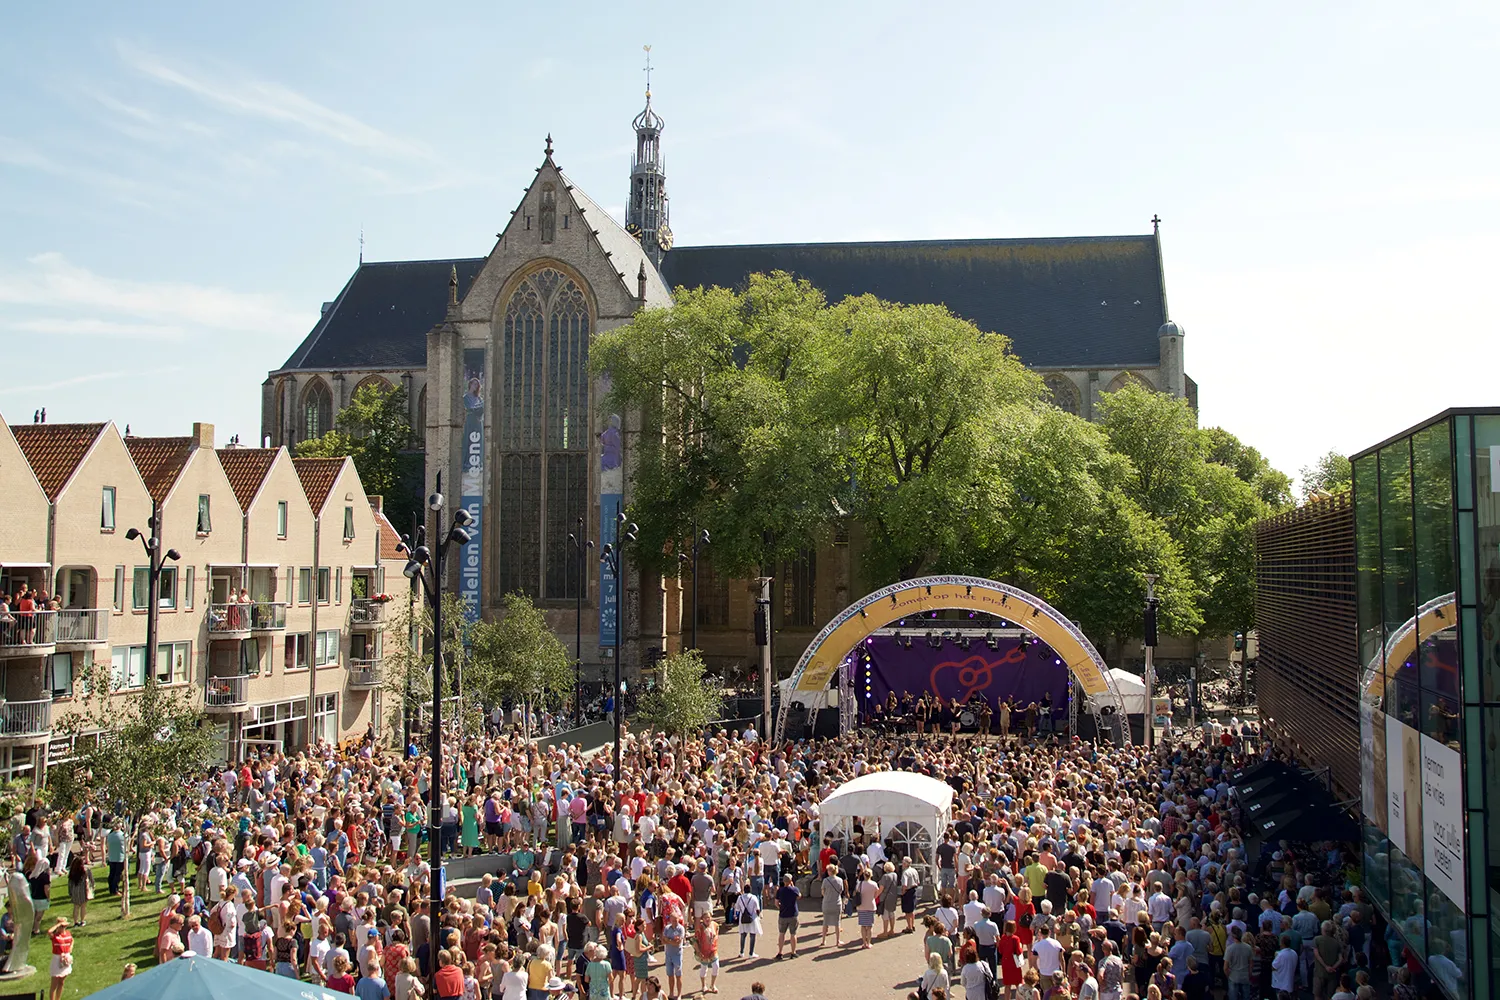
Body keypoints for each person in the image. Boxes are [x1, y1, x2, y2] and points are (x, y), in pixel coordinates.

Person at [774, 873, 800, 959]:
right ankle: (793, 952)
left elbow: (776, 903)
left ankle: (780, 952)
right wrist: (793, 886)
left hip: (783, 915)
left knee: (781, 933)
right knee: (793, 934)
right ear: (791, 881)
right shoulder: (794, 890)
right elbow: (799, 896)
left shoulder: (780, 891)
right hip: (793, 914)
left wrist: (780, 908)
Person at [732, 887, 762, 959]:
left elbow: (737, 908)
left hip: (742, 918)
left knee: (743, 935)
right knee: (752, 935)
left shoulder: (740, 897)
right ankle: (751, 953)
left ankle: (741, 952)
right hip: (752, 918)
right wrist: (758, 916)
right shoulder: (754, 897)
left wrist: (735, 915)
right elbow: (757, 909)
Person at [694, 913, 720, 995]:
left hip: (713, 950)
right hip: (703, 951)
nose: (707, 919)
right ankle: (703, 985)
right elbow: (695, 941)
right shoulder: (700, 928)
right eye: (705, 918)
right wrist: (698, 952)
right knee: (704, 968)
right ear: (702, 919)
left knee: (716, 966)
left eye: (708, 917)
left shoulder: (715, 925)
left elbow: (716, 935)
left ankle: (712, 985)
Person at [820, 864, 845, 947]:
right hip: (836, 903)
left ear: (830, 871)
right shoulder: (840, 880)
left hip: (827, 903)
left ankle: (823, 940)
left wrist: (827, 896)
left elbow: (823, 892)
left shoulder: (825, 880)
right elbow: (841, 891)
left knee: (825, 922)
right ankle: (837, 941)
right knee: (837, 923)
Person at [67, 854, 92, 927]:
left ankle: (75, 922)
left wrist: (70, 892)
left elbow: (70, 883)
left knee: (76, 907)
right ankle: (82, 921)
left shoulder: (72, 872)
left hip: (74, 892)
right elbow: (91, 880)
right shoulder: (86, 870)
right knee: (83, 907)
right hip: (83, 891)